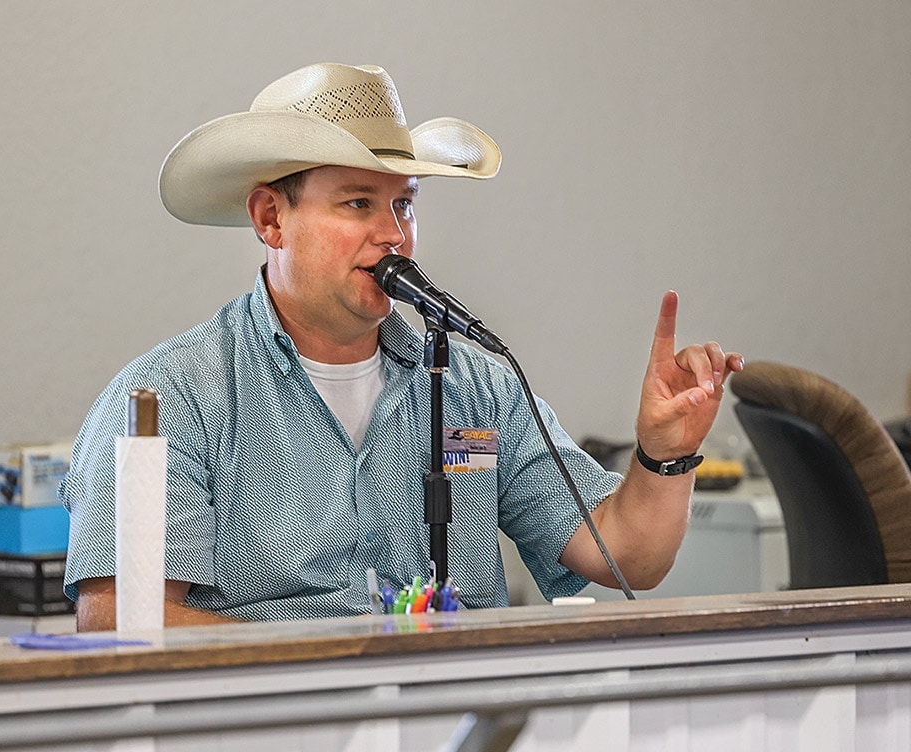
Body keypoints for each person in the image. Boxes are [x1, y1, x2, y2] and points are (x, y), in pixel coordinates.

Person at [61, 63, 744, 631]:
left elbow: (628, 557)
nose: (394, 234)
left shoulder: (477, 386)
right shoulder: (174, 396)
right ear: (271, 218)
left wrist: (667, 451)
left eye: (405, 204)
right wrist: (355, 667)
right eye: (359, 204)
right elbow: (123, 622)